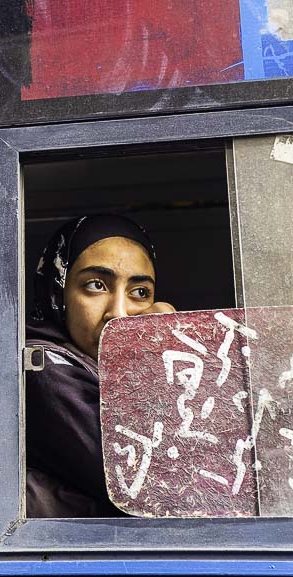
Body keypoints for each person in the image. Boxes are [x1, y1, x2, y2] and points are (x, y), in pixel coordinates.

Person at [26, 214, 175, 517]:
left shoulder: (107, 371)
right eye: (96, 285)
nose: (119, 313)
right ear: (58, 292)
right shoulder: (40, 367)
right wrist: (160, 357)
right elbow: (153, 482)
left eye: (140, 292)